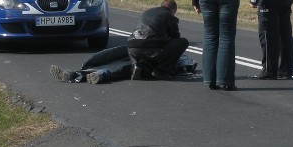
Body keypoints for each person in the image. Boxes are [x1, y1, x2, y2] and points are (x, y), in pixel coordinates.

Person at [49, 45, 197, 85]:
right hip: (139, 55)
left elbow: (187, 62)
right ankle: (77, 74)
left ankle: (92, 74)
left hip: (142, 61)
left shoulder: (177, 53)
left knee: (120, 66)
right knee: (114, 61)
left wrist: (188, 66)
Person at [127, 0, 189, 80]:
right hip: (152, 49)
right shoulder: (168, 15)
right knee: (183, 42)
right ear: (173, 10)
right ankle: (161, 70)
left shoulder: (146, 12)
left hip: (133, 48)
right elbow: (175, 37)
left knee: (138, 43)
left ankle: (136, 65)